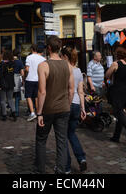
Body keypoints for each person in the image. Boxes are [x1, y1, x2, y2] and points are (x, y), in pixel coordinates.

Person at [35, 36, 74, 174]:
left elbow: (42, 91)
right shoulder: (68, 66)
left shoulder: (43, 66)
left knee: (41, 140)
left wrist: (39, 112)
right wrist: (67, 105)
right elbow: (71, 90)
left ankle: (40, 170)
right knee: (62, 142)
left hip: (47, 109)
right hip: (63, 108)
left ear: (49, 48)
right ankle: (61, 171)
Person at [105, 46, 126, 148]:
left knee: (119, 113)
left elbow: (107, 75)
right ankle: (116, 136)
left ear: (116, 54)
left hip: (117, 91)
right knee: (120, 112)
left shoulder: (116, 64)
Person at [61, 46, 87, 173]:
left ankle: (66, 167)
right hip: (77, 104)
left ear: (65, 57)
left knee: (63, 136)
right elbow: (80, 91)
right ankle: (81, 158)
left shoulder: (64, 70)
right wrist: (83, 108)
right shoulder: (78, 71)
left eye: (61, 56)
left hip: (66, 104)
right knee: (71, 133)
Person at [25, 44, 45, 121]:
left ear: (32, 49)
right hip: (39, 79)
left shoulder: (29, 57)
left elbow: (27, 69)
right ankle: (38, 112)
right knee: (36, 96)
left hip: (30, 79)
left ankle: (32, 113)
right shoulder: (42, 58)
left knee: (28, 96)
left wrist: (25, 76)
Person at [0, 50, 16, 122]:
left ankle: (4, 115)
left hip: (3, 84)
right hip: (11, 83)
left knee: (3, 100)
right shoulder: (13, 63)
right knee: (10, 99)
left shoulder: (2, 64)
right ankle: (14, 113)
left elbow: (1, 75)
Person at [13, 49, 25, 117]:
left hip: (10, 79)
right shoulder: (19, 62)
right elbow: (22, 73)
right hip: (17, 79)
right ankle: (16, 111)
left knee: (9, 96)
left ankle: (12, 110)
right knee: (17, 96)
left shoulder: (10, 61)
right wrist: (23, 80)